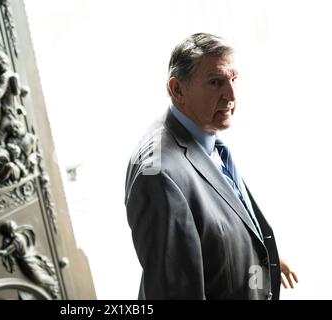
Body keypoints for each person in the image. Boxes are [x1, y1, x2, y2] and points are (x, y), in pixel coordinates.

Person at [124, 33, 298, 300]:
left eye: (234, 79)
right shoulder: (157, 175)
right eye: (216, 82)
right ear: (178, 89)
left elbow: (218, 230)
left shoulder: (205, 138)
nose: (231, 95)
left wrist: (261, 258)